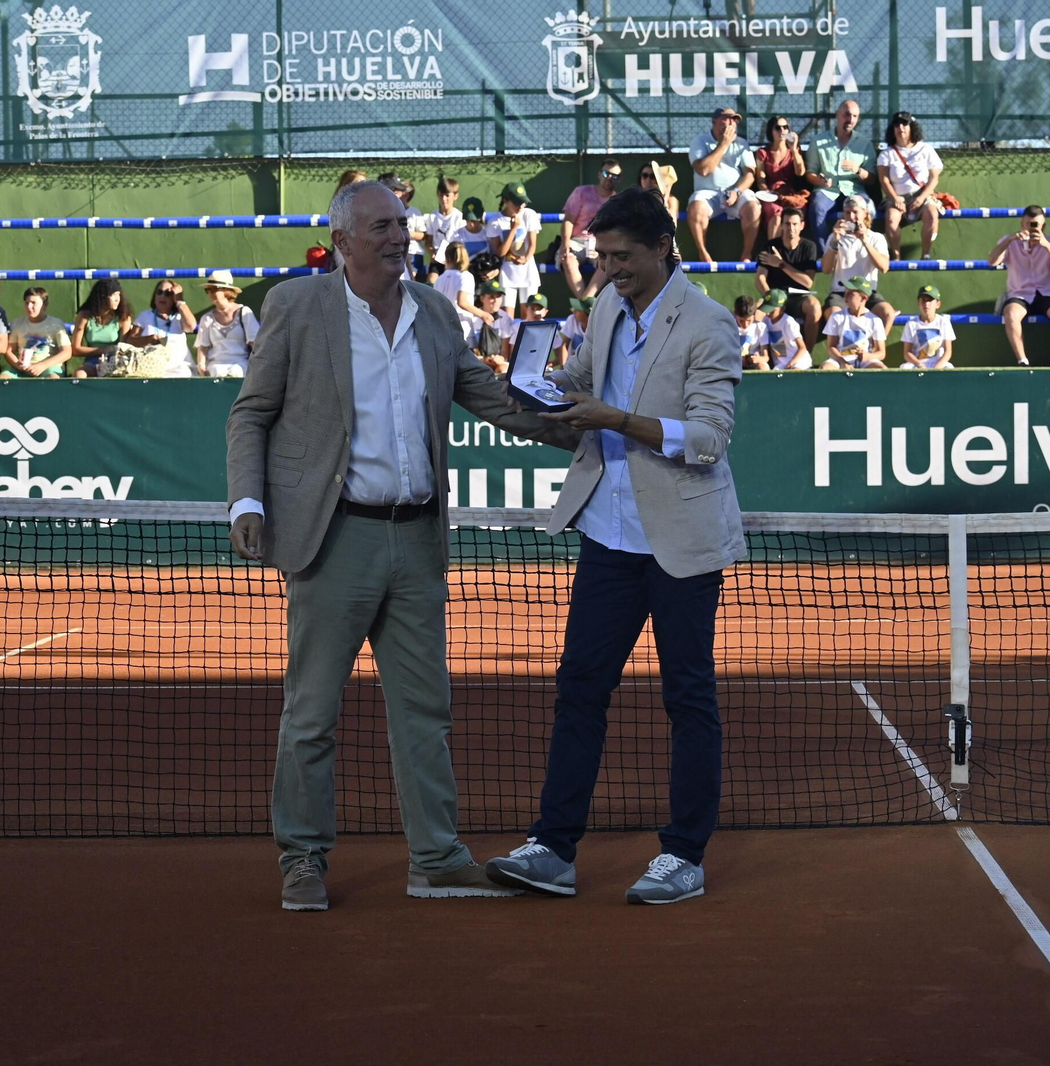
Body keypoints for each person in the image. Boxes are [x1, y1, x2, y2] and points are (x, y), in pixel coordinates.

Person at [224, 180, 578, 910]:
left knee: (425, 708)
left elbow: (492, 398)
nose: (397, 236)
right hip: (333, 538)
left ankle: (437, 860)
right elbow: (251, 414)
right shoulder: (296, 306)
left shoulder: (437, 314)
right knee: (312, 711)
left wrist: (578, 422)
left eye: (402, 224)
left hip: (417, 540)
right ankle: (303, 859)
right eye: (381, 226)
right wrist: (248, 501)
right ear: (345, 241)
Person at [484, 187, 745, 906]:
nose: (609, 269)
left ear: (664, 246)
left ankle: (684, 856)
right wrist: (537, 388)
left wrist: (619, 419)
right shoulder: (604, 305)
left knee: (688, 696)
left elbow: (710, 437)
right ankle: (554, 847)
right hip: (607, 533)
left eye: (622, 257)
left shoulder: (710, 323)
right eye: (602, 257)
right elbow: (579, 384)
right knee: (579, 690)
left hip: (681, 541)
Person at [990, 205, 1050, 366]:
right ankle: (1022, 361)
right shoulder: (1010, 241)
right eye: (1028, 224)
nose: (1032, 228)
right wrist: (1010, 239)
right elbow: (992, 262)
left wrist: (1045, 243)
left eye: (1036, 225)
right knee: (1011, 314)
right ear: (1022, 224)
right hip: (1020, 294)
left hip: (1046, 293)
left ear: (1043, 226)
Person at [685, 107, 760, 263]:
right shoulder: (700, 141)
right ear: (715, 121)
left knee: (753, 207)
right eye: (727, 118)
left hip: (735, 193)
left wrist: (737, 191)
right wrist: (723, 144)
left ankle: (746, 254)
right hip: (707, 193)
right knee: (696, 207)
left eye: (735, 120)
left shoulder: (741, 143)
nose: (731, 123)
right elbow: (704, 170)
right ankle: (703, 254)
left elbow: (750, 174)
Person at [820, 195, 897, 335]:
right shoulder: (834, 237)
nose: (851, 216)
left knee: (888, 314)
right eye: (848, 212)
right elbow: (826, 269)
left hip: (867, 291)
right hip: (841, 291)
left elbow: (884, 267)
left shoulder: (876, 238)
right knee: (834, 314)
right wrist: (834, 242)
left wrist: (865, 241)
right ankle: (840, 353)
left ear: (865, 213)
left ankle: (875, 350)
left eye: (855, 212)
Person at [876, 111, 944, 260]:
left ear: (912, 126)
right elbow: (884, 180)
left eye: (904, 124)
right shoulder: (887, 154)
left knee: (932, 215)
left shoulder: (926, 149)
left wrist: (921, 198)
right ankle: (896, 256)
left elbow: (934, 179)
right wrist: (895, 199)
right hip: (896, 197)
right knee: (891, 217)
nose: (900, 127)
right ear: (892, 129)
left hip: (922, 195)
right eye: (896, 124)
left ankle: (926, 254)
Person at [754, 205, 824, 348]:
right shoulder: (770, 247)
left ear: (802, 226)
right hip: (774, 296)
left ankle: (807, 356)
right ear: (781, 226)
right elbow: (760, 278)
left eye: (794, 224)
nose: (791, 228)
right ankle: (757, 357)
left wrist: (780, 264)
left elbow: (807, 282)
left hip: (798, 298)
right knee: (755, 312)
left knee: (814, 306)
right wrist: (771, 298)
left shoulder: (809, 247)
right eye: (787, 224)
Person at [806, 99, 873, 232]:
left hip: (854, 191)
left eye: (854, 116)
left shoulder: (864, 144)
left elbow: (872, 179)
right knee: (816, 208)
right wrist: (820, 180)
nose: (850, 119)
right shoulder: (819, 141)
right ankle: (826, 251)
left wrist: (858, 170)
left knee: (869, 209)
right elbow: (810, 174)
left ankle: (862, 248)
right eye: (846, 115)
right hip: (827, 192)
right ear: (837, 115)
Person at [559, 159, 622, 296]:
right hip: (576, 241)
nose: (610, 178)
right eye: (607, 173)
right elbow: (568, 220)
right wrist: (565, 243)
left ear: (618, 180)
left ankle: (585, 301)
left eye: (615, 176)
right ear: (599, 174)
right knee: (567, 258)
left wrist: (604, 248)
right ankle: (585, 303)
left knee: (607, 262)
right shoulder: (581, 192)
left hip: (600, 244)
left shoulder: (617, 201)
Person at [194, 270, 260, 379]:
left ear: (226, 291)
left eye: (214, 289)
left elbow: (255, 343)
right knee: (216, 372)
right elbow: (203, 347)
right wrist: (201, 365)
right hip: (215, 366)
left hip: (240, 363)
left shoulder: (244, 312)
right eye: (208, 290)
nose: (210, 293)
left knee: (237, 371)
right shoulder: (207, 318)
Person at [752, 114, 808, 240]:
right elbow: (761, 179)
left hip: (790, 193)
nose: (782, 131)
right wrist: (767, 193)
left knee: (796, 212)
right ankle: (772, 252)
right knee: (776, 216)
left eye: (785, 127)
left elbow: (800, 172)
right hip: (771, 193)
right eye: (778, 128)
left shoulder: (794, 151)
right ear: (771, 131)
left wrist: (794, 149)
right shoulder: (763, 153)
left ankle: (792, 250)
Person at [490, 182, 541, 317]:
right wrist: (513, 229)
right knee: (507, 317)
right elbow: (500, 252)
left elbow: (532, 245)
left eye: (523, 202)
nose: (521, 206)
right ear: (505, 201)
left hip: (528, 272)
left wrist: (525, 259)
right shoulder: (495, 221)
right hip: (507, 273)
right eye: (517, 203)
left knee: (528, 315)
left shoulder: (529, 215)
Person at [69, 278, 137, 378]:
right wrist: (103, 350)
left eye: (119, 294)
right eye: (113, 295)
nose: (117, 299)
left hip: (115, 361)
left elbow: (123, 348)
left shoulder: (123, 317)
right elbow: (75, 349)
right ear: (102, 297)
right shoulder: (84, 316)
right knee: (79, 374)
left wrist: (110, 355)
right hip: (92, 362)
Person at [3, 286, 72, 378]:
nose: (29, 307)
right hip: (22, 367)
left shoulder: (56, 324)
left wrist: (42, 365)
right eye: (26, 303)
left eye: (33, 303)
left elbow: (67, 352)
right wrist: (18, 365)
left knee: (53, 378)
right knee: (3, 379)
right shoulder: (17, 323)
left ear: (45, 305)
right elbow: (9, 351)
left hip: (48, 367)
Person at [134, 281, 199, 377]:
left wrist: (180, 301)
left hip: (178, 371)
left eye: (168, 294)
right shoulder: (145, 316)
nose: (162, 296)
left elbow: (191, 326)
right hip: (151, 368)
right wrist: (148, 340)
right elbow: (130, 340)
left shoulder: (179, 317)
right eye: (159, 292)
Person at [821, 277, 888, 369]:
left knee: (881, 369)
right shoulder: (836, 317)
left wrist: (868, 356)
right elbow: (831, 347)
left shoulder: (875, 320)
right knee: (826, 368)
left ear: (863, 298)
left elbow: (881, 353)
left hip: (865, 361)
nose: (845, 298)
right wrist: (842, 361)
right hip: (840, 358)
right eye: (845, 293)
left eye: (850, 294)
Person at [431, 241, 481, 340]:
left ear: (447, 258)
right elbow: (462, 302)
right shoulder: (466, 276)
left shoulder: (439, 279)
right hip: (462, 327)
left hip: (442, 327)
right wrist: (483, 314)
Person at [899, 284, 956, 369]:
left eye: (930, 300)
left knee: (949, 367)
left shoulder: (944, 322)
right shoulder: (911, 324)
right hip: (917, 364)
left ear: (938, 304)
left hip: (938, 363)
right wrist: (920, 365)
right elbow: (907, 353)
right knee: (904, 367)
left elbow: (948, 352)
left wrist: (937, 368)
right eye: (923, 300)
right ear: (918, 302)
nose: (926, 304)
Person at [422, 176, 464, 283]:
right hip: (437, 260)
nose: (444, 199)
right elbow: (428, 242)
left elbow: (461, 243)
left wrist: (452, 258)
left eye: (447, 195)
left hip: (454, 259)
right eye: (441, 195)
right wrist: (432, 254)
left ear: (455, 196)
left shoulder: (459, 217)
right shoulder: (433, 217)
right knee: (432, 280)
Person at [758, 291, 812, 370]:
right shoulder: (765, 321)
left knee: (794, 373)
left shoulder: (788, 322)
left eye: (772, 310)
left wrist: (790, 364)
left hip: (799, 361)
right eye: (767, 309)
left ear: (782, 309)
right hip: (782, 364)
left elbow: (802, 348)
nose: (768, 313)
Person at [471, 276, 514, 374]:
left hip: (499, 361)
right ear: (482, 298)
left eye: (498, 296)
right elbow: (470, 349)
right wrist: (483, 360)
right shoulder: (472, 318)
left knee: (503, 370)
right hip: (477, 361)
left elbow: (505, 352)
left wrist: (500, 359)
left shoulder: (505, 318)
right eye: (491, 297)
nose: (496, 301)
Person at [558, 296, 593, 368]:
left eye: (578, 310)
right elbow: (564, 345)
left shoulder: (600, 326)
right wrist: (563, 367)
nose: (573, 311)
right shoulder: (572, 319)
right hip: (573, 368)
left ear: (588, 314)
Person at [732, 294, 766, 367]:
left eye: (749, 320)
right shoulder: (728, 327)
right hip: (734, 364)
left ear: (754, 314)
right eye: (741, 321)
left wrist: (758, 359)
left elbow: (766, 357)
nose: (745, 325)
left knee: (762, 366)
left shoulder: (760, 327)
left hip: (754, 364)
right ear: (735, 314)